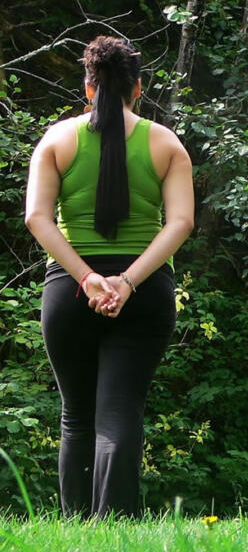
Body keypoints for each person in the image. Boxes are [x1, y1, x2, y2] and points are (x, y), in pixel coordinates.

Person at [24, 35, 194, 518]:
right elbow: (180, 223)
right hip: (145, 292)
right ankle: (113, 528)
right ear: (137, 88)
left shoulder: (56, 140)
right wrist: (128, 282)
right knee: (119, 411)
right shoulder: (165, 144)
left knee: (76, 415)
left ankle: (76, 527)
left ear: (88, 88)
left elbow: (37, 218)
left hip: (70, 290)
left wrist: (87, 277)